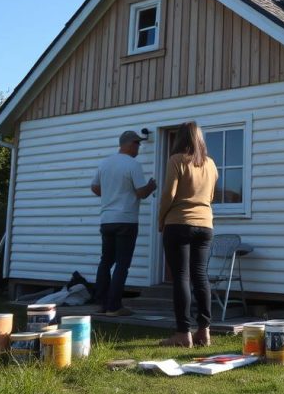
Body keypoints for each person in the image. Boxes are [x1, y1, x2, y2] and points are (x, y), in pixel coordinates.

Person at [157, 121, 219, 347]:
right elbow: (210, 196)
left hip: (179, 223)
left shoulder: (176, 160)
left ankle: (183, 334)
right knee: (201, 276)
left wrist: (161, 219)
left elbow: (168, 194)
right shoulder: (211, 164)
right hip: (205, 225)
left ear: (179, 139)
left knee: (181, 277)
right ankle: (204, 331)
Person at [91, 130, 157, 316]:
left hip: (107, 220)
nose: (138, 147)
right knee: (122, 263)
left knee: (106, 261)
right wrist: (151, 186)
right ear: (128, 144)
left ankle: (102, 304)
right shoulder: (133, 164)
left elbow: (95, 187)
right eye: (137, 143)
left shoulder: (105, 163)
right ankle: (114, 307)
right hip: (126, 220)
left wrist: (111, 196)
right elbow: (140, 193)